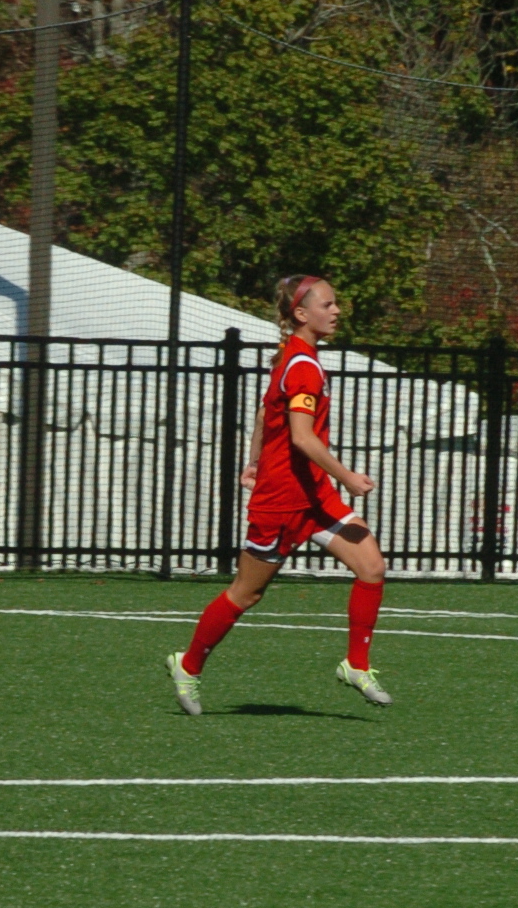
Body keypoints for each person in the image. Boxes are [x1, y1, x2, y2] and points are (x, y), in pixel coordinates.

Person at [166, 274, 392, 714]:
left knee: (371, 567)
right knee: (246, 594)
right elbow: (302, 438)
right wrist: (347, 476)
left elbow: (263, 414)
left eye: (336, 303)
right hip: (282, 502)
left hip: (314, 496)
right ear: (301, 314)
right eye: (327, 305)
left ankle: (356, 664)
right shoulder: (302, 365)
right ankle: (188, 665)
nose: (337, 311)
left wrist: (253, 459)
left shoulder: (295, 356)